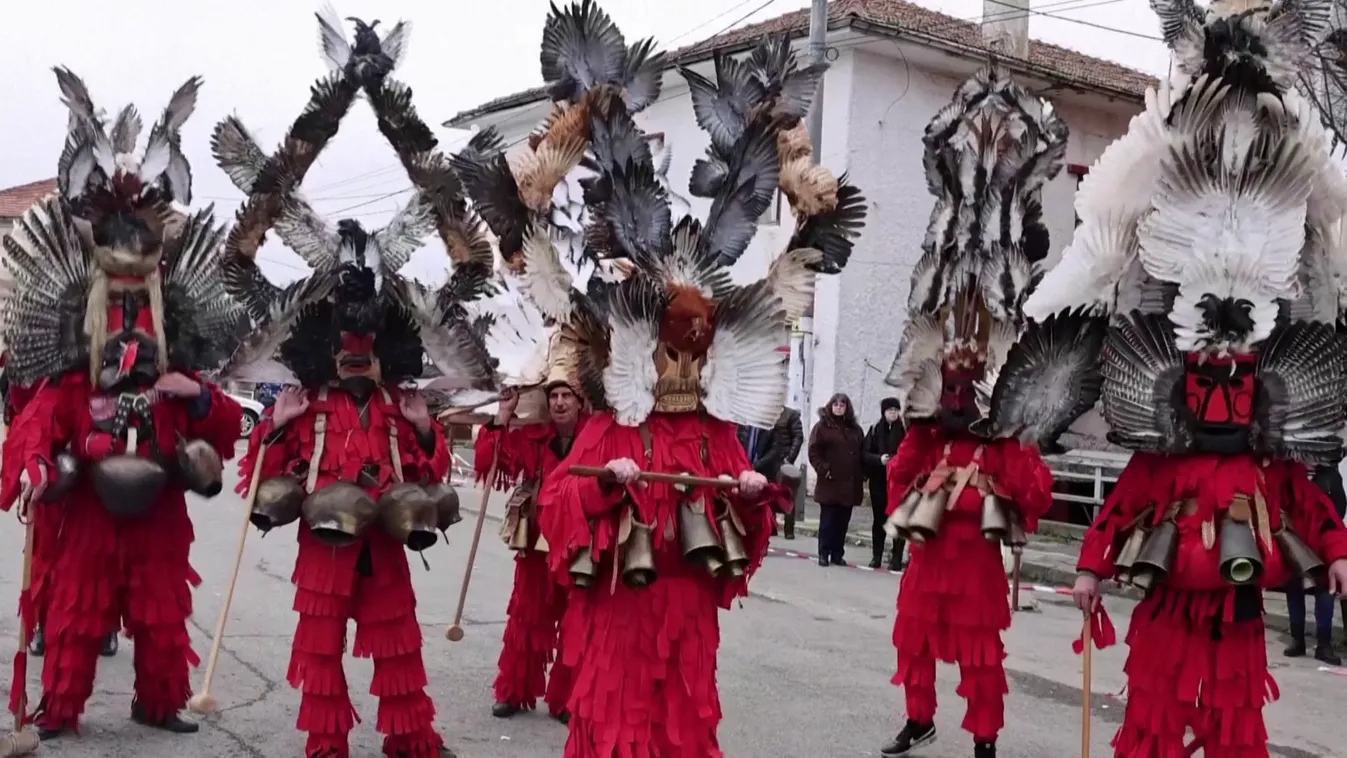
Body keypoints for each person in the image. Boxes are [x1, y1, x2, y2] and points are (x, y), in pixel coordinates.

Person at [451, 4, 866, 753]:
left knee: (683, 729)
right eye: (674, 345)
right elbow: (559, 505)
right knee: (612, 727)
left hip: (689, 626)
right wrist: (604, 482)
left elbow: (748, 528)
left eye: (697, 347)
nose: (686, 359)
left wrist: (752, 499)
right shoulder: (611, 423)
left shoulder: (714, 435)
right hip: (616, 614)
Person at [1018, 4, 1347, 753]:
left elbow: (1305, 499)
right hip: (1166, 611)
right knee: (1155, 728)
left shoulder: (1270, 448)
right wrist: (1090, 571)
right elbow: (1123, 505)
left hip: (1233, 624)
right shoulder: (1159, 444)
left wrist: (1337, 554)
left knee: (1233, 735)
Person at [223, 15, 497, 754]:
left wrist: (417, 427)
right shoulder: (303, 404)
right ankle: (327, 746)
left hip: (386, 527)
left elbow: (438, 475)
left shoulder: (403, 401)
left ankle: (411, 740)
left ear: (383, 348)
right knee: (320, 656)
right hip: (325, 540)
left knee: (398, 642)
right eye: (345, 349)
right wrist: (277, 426)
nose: (355, 357)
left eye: (365, 348)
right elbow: (259, 479)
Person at [0, 69, 245, 740]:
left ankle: (159, 702)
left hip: (160, 506)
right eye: (120, 302)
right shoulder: (73, 381)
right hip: (89, 510)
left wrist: (196, 399)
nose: (130, 318)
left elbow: (227, 425)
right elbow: (32, 426)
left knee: (163, 612)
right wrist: (38, 466)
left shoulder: (179, 373)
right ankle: (63, 708)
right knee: (77, 610)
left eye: (143, 301)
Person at [877, 65, 1063, 758]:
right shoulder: (929, 429)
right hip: (928, 556)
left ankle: (984, 738)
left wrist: (1003, 480)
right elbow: (896, 479)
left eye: (966, 374)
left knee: (981, 653)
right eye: (948, 373)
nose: (956, 381)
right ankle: (919, 718)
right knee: (913, 640)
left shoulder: (1002, 436)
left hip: (978, 561)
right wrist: (916, 475)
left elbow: (1033, 492)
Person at [475, 362, 589, 722]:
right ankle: (512, 691)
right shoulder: (533, 437)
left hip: (579, 545)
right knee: (525, 618)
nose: (558, 403)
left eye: (565, 396)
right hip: (535, 542)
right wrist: (501, 417)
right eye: (553, 396)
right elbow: (493, 461)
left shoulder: (595, 438)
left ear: (579, 402)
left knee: (576, 622)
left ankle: (566, 700)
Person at [1284, 465, 1346, 664]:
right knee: (1294, 592)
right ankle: (1297, 640)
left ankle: (1324, 645)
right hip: (1294, 543)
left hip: (1322, 545)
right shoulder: (1287, 475)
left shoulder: (1330, 476)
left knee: (1325, 595)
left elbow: (1339, 508)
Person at [808, 393, 866, 567]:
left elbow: (862, 452)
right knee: (828, 521)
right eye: (836, 404)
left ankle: (837, 553)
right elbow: (813, 452)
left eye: (842, 405)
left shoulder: (855, 429)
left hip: (849, 484)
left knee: (842, 522)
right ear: (830, 406)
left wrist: (862, 474)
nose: (839, 407)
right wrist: (824, 469)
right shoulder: (822, 427)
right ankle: (823, 553)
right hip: (830, 483)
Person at [740, 405, 805, 539]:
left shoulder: (789, 415)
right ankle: (769, 525)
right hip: (764, 461)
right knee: (766, 495)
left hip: (781, 462)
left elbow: (797, 438)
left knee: (785, 494)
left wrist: (789, 459)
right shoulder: (748, 422)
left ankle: (788, 530)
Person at [863, 397, 906, 570]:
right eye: (890, 410)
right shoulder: (875, 430)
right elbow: (865, 454)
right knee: (879, 520)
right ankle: (877, 556)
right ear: (884, 412)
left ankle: (896, 559)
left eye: (896, 410)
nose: (893, 413)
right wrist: (879, 459)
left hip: (899, 483)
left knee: (898, 520)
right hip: (879, 481)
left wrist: (897, 461)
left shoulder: (904, 431)